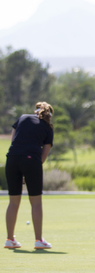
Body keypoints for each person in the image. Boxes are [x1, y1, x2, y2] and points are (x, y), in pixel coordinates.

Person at [4, 102, 54, 250]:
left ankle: (9, 239)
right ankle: (38, 240)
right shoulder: (48, 128)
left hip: (12, 159)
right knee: (36, 202)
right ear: (49, 116)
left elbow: (14, 141)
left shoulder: (23, 118)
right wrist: (29, 172)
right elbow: (43, 157)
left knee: (13, 201)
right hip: (32, 160)